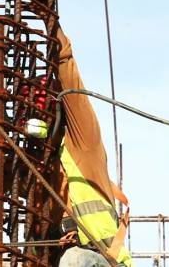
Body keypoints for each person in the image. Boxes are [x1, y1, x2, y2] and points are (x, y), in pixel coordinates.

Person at [50, 33, 133, 267]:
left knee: (74, 260)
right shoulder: (44, 164)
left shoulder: (82, 145)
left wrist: (54, 29)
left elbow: (71, 84)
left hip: (102, 259)